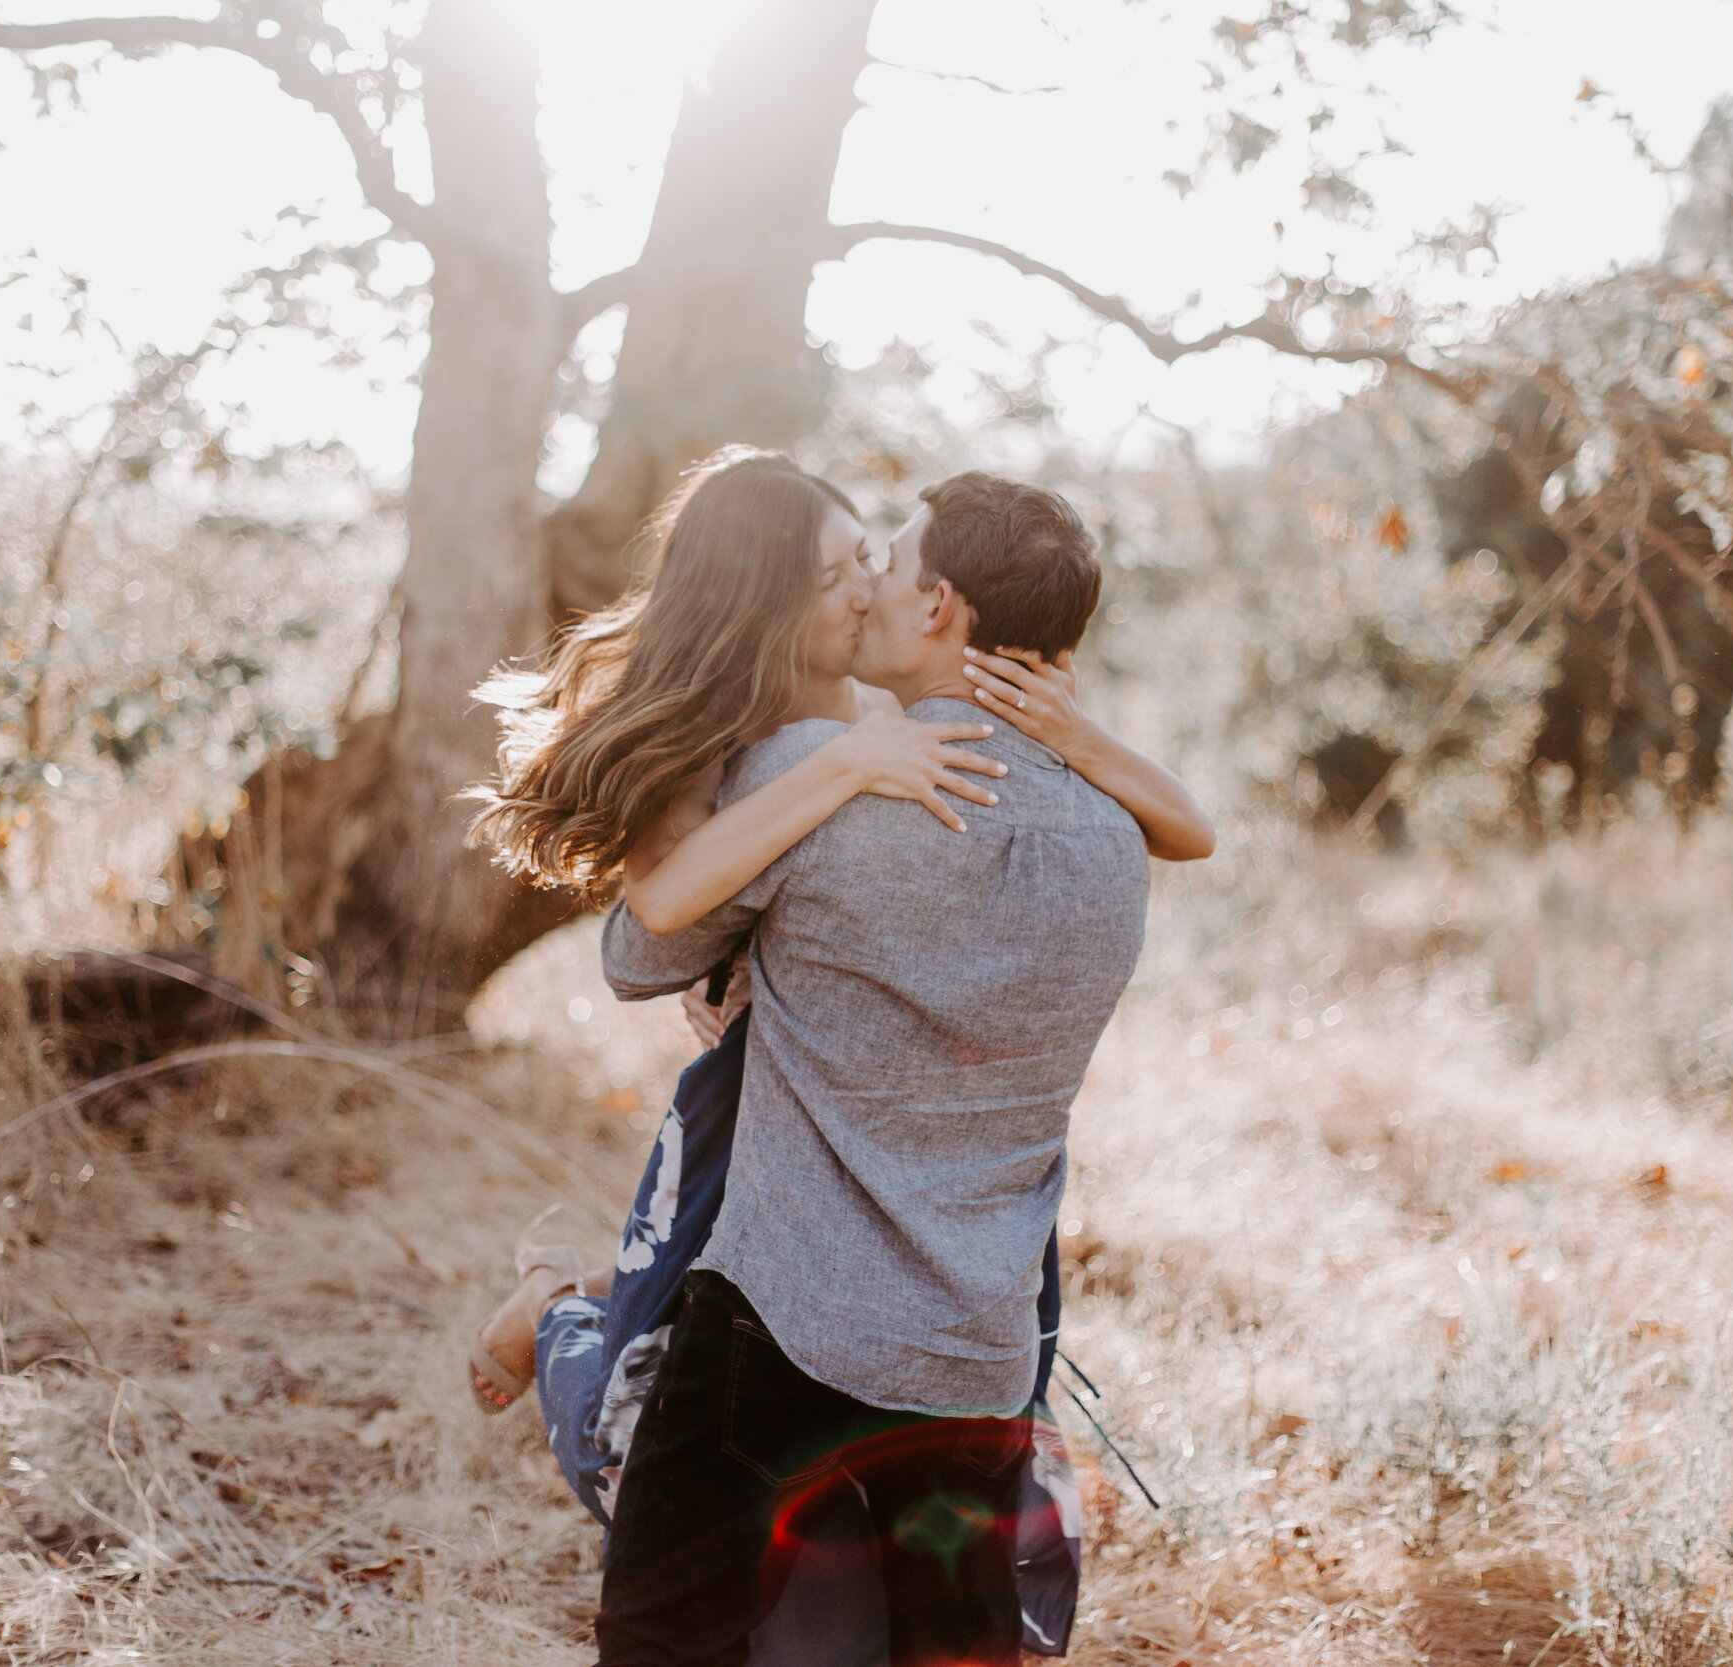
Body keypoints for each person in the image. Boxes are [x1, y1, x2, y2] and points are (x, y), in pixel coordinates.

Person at [465, 451, 1209, 1662]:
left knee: (664, 1623)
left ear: (937, 608)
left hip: (781, 1313)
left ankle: (555, 1311)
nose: (866, 586)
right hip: (977, 1339)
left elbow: (639, 953)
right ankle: (561, 1313)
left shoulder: (804, 786)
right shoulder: (1119, 837)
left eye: (885, 559)